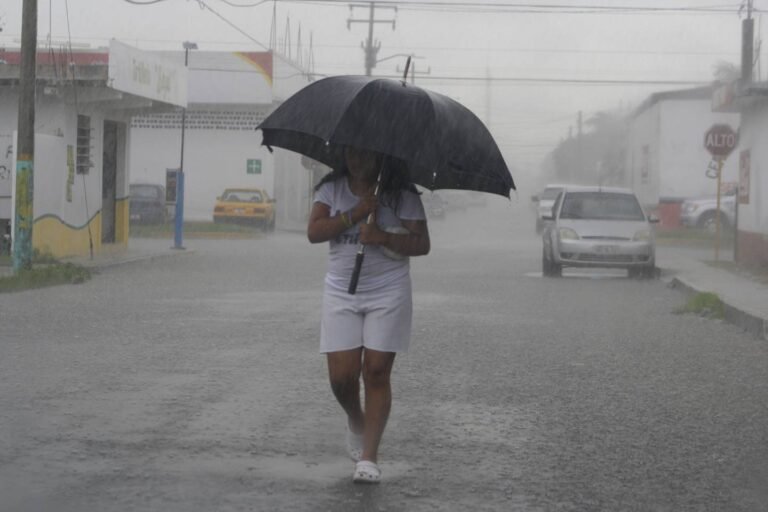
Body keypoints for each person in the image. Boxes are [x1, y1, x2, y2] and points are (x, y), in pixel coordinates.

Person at [307, 145, 430, 484]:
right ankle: (355, 418)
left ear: (381, 157)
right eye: (350, 153)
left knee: (375, 372)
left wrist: (381, 236)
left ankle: (369, 457)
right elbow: (314, 232)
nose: (356, 160)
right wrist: (355, 213)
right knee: (342, 378)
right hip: (341, 292)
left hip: (388, 290)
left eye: (364, 154)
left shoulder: (401, 194)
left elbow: (422, 243)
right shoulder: (331, 189)